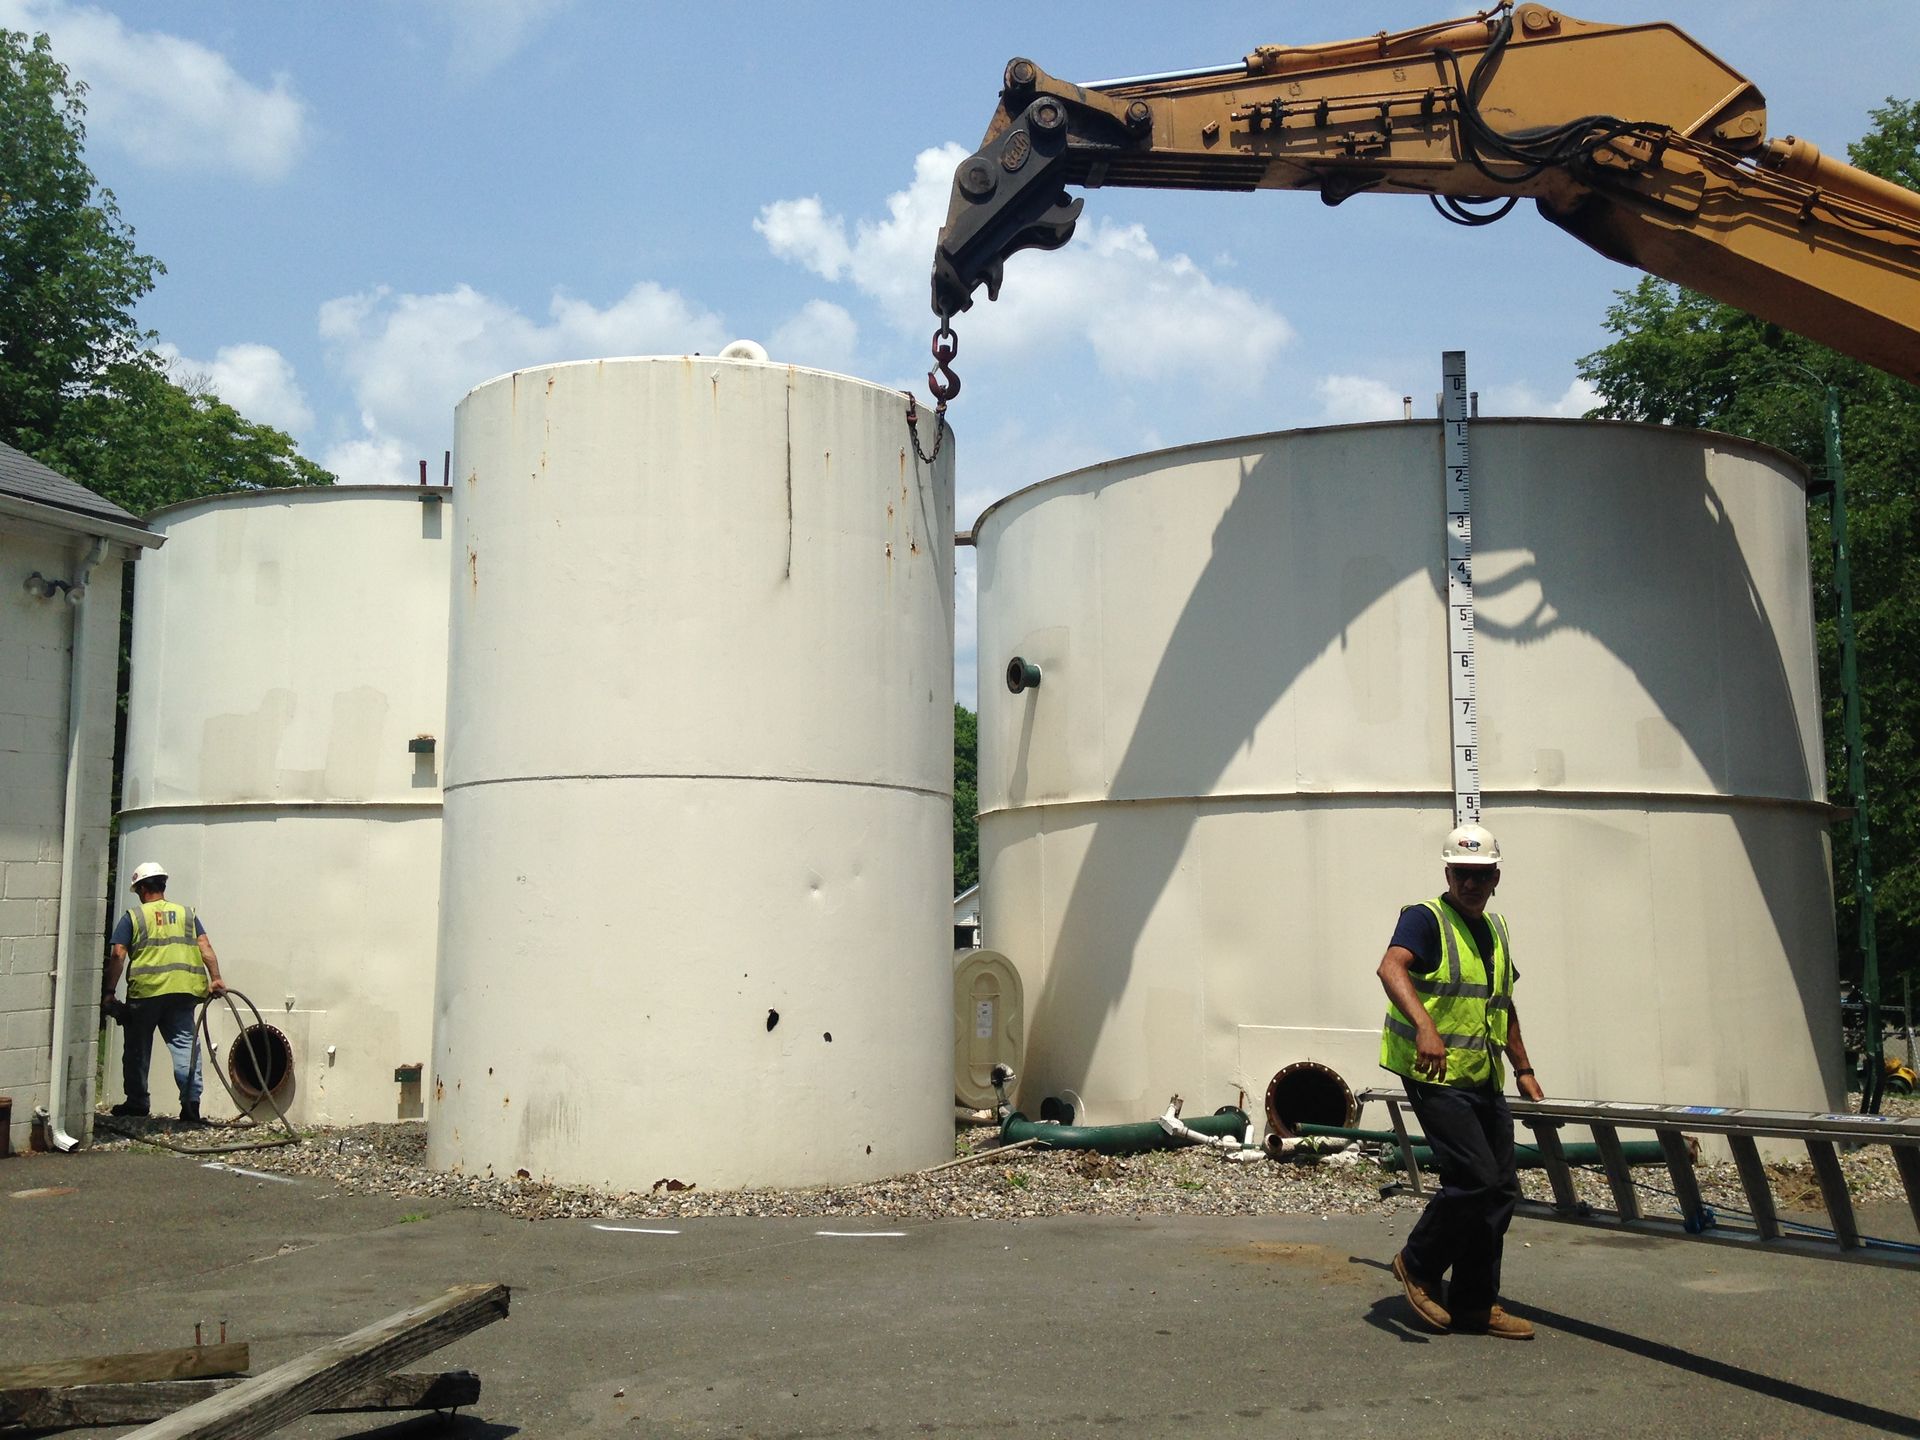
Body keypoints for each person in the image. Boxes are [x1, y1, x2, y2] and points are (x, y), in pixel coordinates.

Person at [1376, 823, 1542, 1340]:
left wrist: (1524, 1068)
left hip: (1484, 1077)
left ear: (1496, 878)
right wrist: (1425, 1025)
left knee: (1500, 1191)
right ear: (1448, 873)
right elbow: (1390, 968)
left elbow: (1502, 1004)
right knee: (1472, 1180)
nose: (1470, 883)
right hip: (1436, 1075)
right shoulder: (1425, 919)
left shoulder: (1496, 930)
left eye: (1481, 875)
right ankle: (1418, 1263)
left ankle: (1475, 1303)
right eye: (1461, 874)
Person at [102, 861, 226, 1125]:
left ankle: (137, 1103)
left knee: (137, 1048)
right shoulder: (186, 914)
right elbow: (205, 946)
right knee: (185, 1046)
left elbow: (118, 955)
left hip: (146, 994)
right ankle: (191, 1106)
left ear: (143, 888)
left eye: (137, 890)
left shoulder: (134, 917)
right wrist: (215, 978)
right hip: (183, 992)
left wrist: (109, 992)